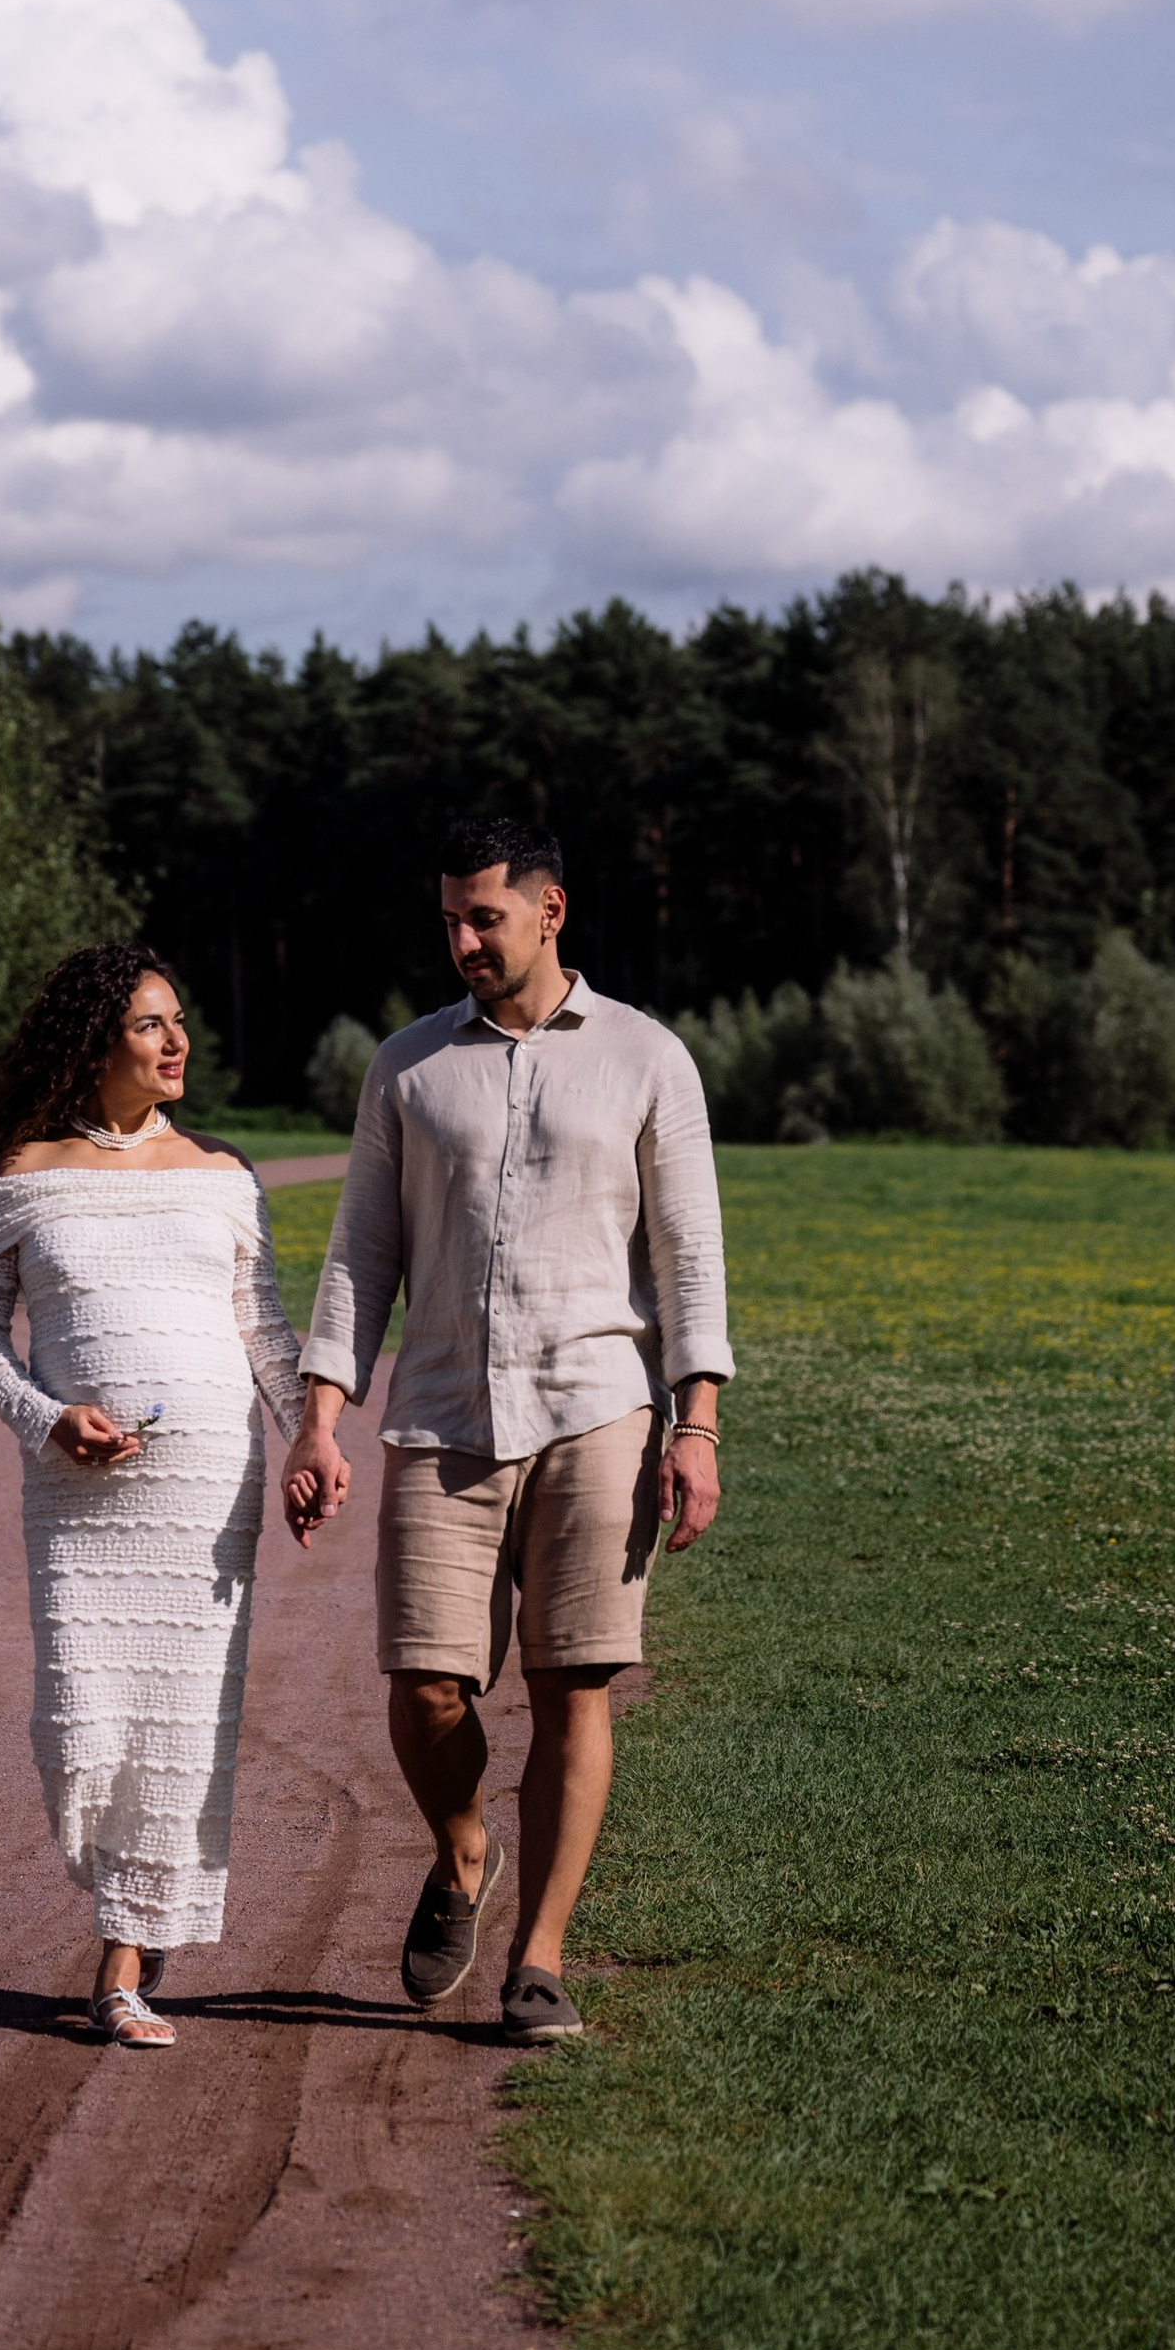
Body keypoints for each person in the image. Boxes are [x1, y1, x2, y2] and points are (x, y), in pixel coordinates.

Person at [285, 818, 731, 2045]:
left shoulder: (647, 1056)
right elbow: (360, 1252)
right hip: (439, 1410)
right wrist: (321, 1418)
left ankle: (538, 1962)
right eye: (448, 921)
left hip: (600, 1404)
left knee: (572, 1685)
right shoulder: (408, 1067)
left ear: (552, 911)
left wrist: (695, 1423)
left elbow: (688, 1251)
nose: (463, 941)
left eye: (484, 917)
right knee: (425, 1685)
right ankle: (465, 1851)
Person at [0, 941, 308, 2049]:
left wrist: (316, 1440)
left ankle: (123, 1959)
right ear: (94, 1041)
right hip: (78, 1490)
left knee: (181, 1718)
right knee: (80, 1727)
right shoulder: (22, 1173)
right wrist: (44, 1416)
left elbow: (265, 1335)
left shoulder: (221, 1173)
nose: (176, 1042)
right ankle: (131, 1909)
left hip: (207, 1485)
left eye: (180, 1021)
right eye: (151, 1024)